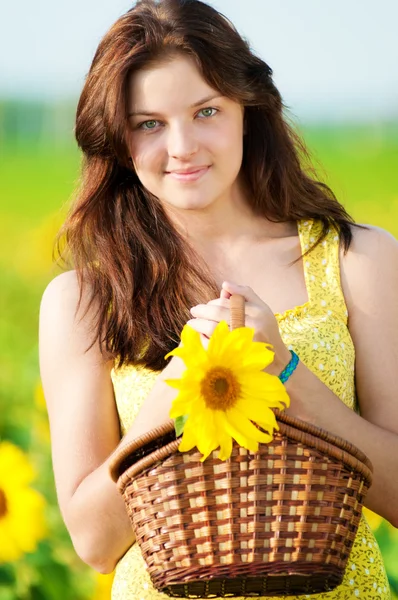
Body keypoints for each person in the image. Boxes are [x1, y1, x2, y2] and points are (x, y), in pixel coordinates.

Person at [38, 0, 397, 598]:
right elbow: (93, 543)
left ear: (247, 112)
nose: (182, 147)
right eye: (148, 122)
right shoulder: (82, 298)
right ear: (118, 139)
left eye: (206, 111)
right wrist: (179, 392)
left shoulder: (358, 258)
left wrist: (285, 372)